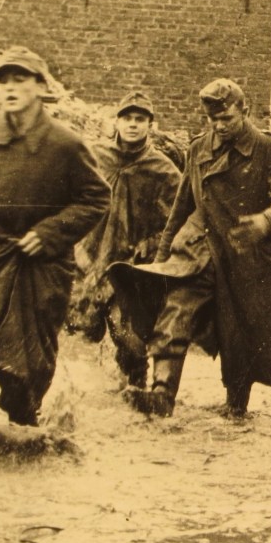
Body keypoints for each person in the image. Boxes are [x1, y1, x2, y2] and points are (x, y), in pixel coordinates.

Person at [111, 78, 271, 418]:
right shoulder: (199, 149)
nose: (219, 126)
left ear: (245, 111)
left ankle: (235, 406)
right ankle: (161, 395)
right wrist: (162, 261)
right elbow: (182, 207)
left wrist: (263, 222)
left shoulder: (268, 150)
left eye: (226, 118)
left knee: (242, 339)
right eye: (213, 119)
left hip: (247, 259)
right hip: (198, 252)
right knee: (175, 311)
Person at [0, 46, 110, 426]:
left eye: (20, 79)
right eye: (4, 81)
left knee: (24, 372)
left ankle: (25, 436)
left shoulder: (65, 144)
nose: (11, 88)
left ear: (39, 86)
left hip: (40, 267)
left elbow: (97, 197)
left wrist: (51, 232)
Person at [72, 91, 180, 388]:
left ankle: (133, 394)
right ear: (117, 122)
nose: (133, 125)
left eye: (140, 119)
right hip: (89, 260)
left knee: (131, 342)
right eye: (127, 118)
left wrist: (152, 245)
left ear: (150, 125)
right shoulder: (94, 157)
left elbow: (179, 219)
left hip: (131, 269)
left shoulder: (163, 170)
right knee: (78, 332)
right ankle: (89, 397)